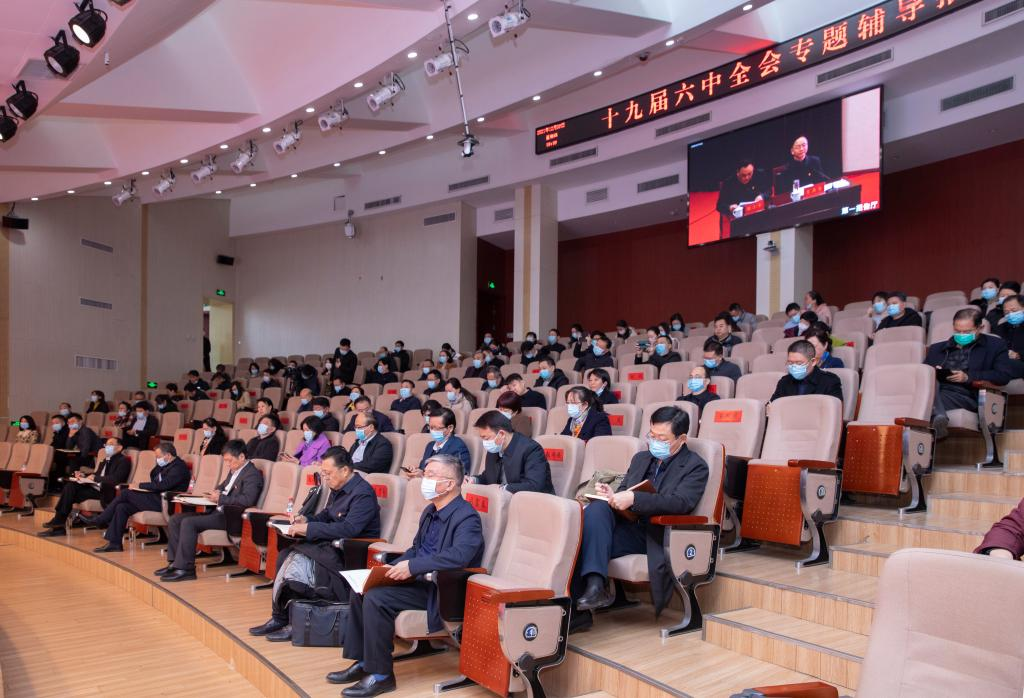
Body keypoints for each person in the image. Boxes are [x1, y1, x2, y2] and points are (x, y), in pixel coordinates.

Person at [329, 454, 483, 696]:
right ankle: (364, 662)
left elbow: (459, 556)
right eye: (425, 474)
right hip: (419, 581)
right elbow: (416, 549)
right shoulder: (430, 511)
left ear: (450, 484)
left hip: (439, 590)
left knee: (377, 599)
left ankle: (381, 676)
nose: (424, 480)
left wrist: (412, 567)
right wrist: (389, 570)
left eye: (431, 475)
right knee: (362, 589)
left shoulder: (467, 516)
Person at [572, 406, 709, 629]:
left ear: (682, 438)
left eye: (662, 438)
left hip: (657, 534)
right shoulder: (641, 458)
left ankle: (581, 609)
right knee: (595, 512)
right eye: (651, 435)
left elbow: (681, 503)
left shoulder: (695, 466)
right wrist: (613, 496)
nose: (654, 442)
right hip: (630, 525)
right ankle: (594, 589)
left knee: (584, 540)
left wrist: (634, 498)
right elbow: (625, 490)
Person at [249, 447, 382, 642]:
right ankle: (280, 617)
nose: (325, 478)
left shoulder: (363, 494)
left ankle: (297, 621)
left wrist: (309, 529)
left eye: (328, 473)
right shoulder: (338, 487)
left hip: (348, 551)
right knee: (285, 555)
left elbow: (349, 529)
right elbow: (327, 515)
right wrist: (307, 519)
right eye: (323, 473)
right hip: (329, 545)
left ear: (345, 470)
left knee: (299, 564)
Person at [156, 439, 264, 581]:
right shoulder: (235, 470)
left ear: (242, 456)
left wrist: (221, 498)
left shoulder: (252, 474)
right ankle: (174, 564)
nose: (227, 464)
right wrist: (215, 492)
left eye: (229, 460)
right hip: (218, 512)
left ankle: (186, 569)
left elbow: (247, 500)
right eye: (226, 461)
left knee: (189, 523)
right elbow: (223, 487)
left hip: (230, 517)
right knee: (176, 519)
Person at [81, 442, 190, 553]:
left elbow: (162, 485)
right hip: (155, 498)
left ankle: (100, 519)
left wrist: (139, 485)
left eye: (158, 457)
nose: (157, 459)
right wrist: (159, 468)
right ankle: (115, 544)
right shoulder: (166, 465)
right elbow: (153, 476)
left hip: (166, 503)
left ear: (168, 455)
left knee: (126, 493)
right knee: (122, 507)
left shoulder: (179, 468)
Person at [925, 308, 1014, 440]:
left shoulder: (995, 345)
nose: (961, 335)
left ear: (980, 328)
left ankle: (935, 419)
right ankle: (938, 418)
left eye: (967, 332)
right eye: (957, 331)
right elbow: (921, 374)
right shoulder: (937, 348)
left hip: (966, 393)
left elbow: (1003, 376)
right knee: (929, 380)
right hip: (937, 390)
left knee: (922, 401)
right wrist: (934, 371)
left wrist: (968, 377)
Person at [39, 436, 132, 535]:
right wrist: (84, 476)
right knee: (70, 487)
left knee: (69, 494)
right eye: (106, 444)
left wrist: (95, 478)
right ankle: (58, 524)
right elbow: (97, 474)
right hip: (95, 488)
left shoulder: (124, 460)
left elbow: (116, 479)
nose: (107, 447)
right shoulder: (106, 459)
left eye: (111, 444)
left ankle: (58, 524)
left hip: (106, 491)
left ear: (119, 447)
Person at [473, 411, 554, 493]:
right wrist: (474, 480)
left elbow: (534, 485)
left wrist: (503, 489)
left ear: (501, 434)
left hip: (532, 499)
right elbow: (489, 476)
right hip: (503, 498)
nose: (485, 442)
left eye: (486, 438)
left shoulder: (531, 449)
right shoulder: (494, 448)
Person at [404, 407, 471, 478]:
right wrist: (416, 471)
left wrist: (423, 476)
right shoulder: (430, 445)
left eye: (437, 428)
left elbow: (459, 477)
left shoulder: (458, 447)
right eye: (431, 427)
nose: (433, 431)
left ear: (450, 428)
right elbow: (423, 469)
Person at [770, 339, 844, 402]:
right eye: (790, 362)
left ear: (813, 362)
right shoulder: (784, 382)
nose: (794, 366)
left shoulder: (830, 381)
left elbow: (835, 411)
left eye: (799, 363)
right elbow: (772, 406)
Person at [716, 157, 768, 230]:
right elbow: (719, 205)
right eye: (743, 175)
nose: (747, 178)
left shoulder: (758, 175)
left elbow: (768, 191)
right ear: (737, 173)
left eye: (749, 174)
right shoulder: (728, 184)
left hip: (756, 214)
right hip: (739, 219)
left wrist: (761, 196)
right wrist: (729, 207)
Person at [994, 294, 1024, 375]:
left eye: (1014, 311)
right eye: (1006, 312)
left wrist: (1018, 355)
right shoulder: (1001, 328)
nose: (1010, 314)